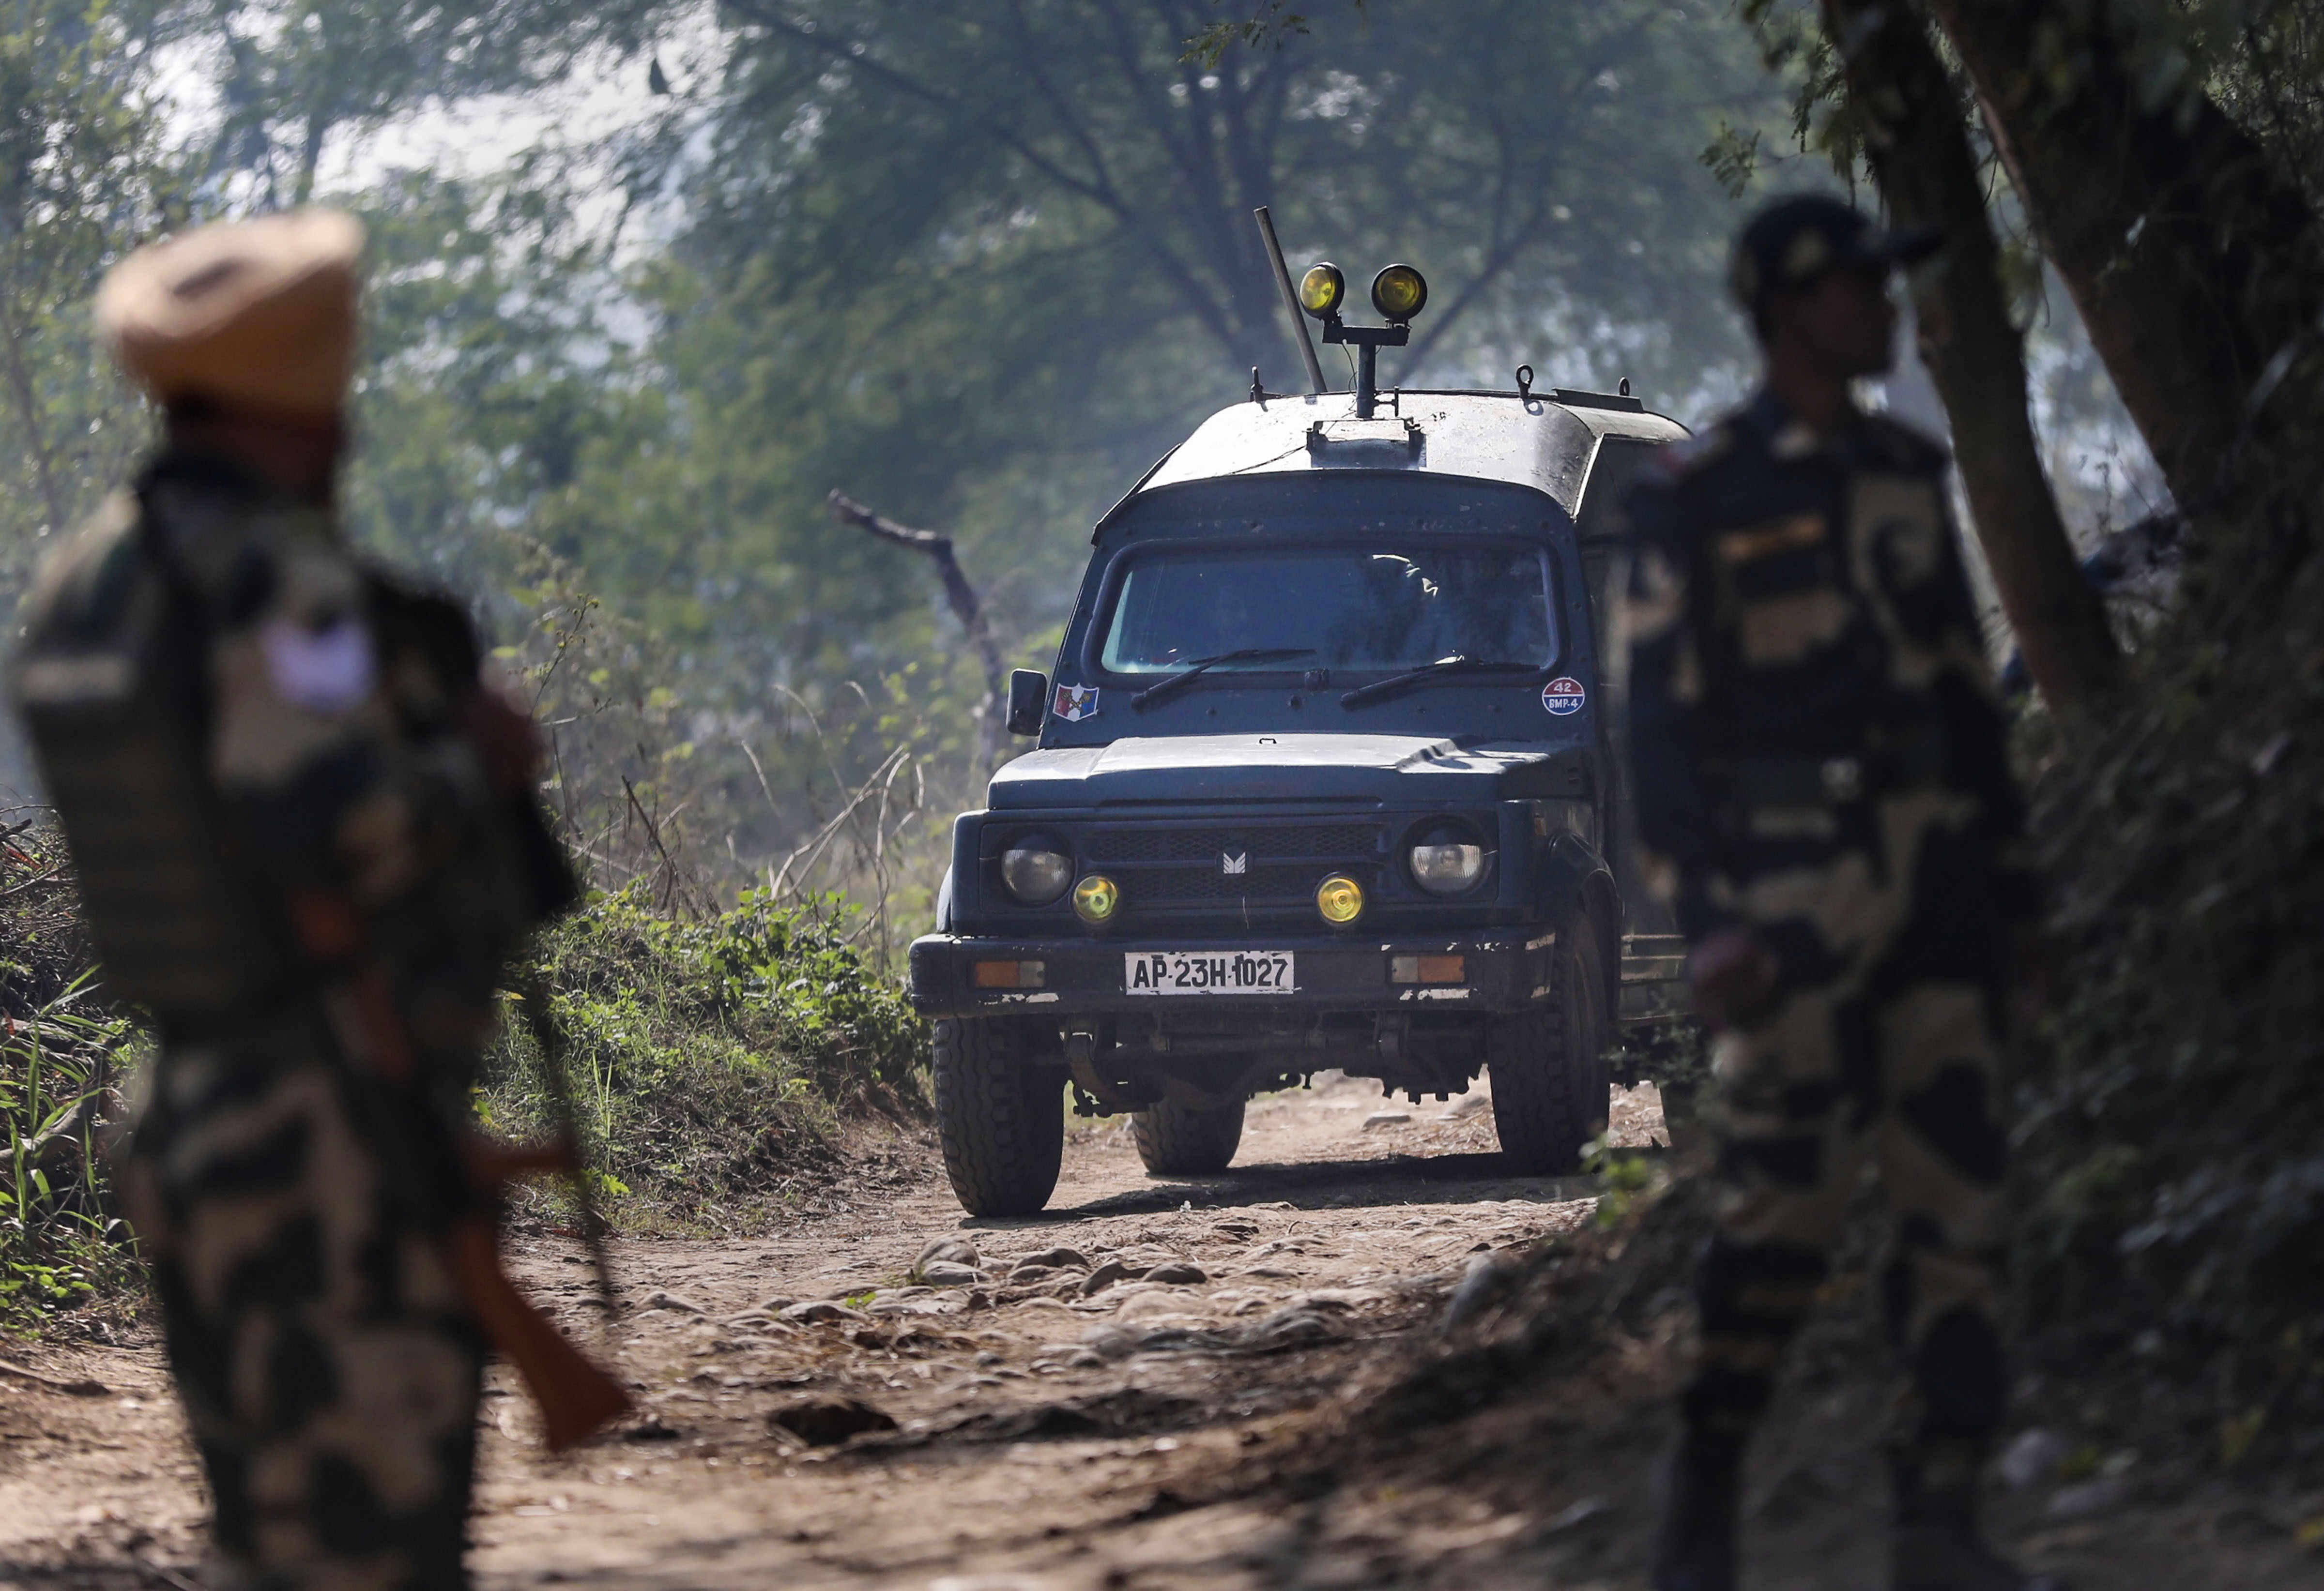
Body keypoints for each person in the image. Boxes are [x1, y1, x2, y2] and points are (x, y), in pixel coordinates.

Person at [10, 211, 611, 1589]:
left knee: (275, 1544)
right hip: (338, 1117)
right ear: (316, 384)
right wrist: (480, 759)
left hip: (196, 1112)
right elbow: (336, 825)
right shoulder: (281, 583)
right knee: (372, 1548)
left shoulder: (90, 579)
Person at [1619, 194, 2060, 1591]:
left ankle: (1941, 1526)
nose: (1885, 312)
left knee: (1960, 1217)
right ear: (1794, 310)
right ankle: (1703, 1512)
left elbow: (1963, 702)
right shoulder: (1700, 498)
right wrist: (1713, 923)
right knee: (1777, 1220)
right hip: (1793, 916)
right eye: (1861, 290)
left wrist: (2017, 892)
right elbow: (1657, 736)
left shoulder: (1907, 470)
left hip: (1939, 902)